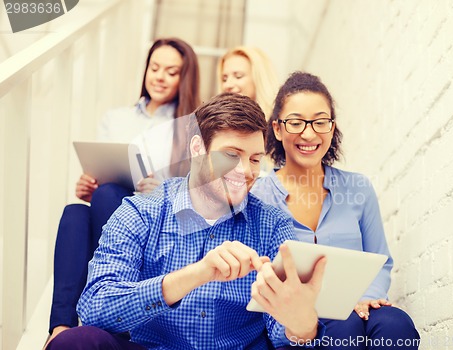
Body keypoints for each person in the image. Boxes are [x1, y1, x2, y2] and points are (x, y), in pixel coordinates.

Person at [46, 92, 328, 350]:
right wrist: (198, 273)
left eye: (255, 159)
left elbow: (282, 334)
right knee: (76, 342)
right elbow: (95, 307)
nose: (246, 171)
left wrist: (302, 324)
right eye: (231, 155)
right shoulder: (140, 212)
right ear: (197, 148)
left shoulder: (273, 224)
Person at [46, 37, 200, 346]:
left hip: (155, 227)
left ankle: (116, 300)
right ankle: (60, 327)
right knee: (76, 212)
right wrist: (87, 186)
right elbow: (99, 173)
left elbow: (195, 194)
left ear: (184, 78)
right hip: (109, 208)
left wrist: (160, 190)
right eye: (154, 68)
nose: (159, 76)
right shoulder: (115, 117)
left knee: (106, 197)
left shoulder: (189, 128)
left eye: (171, 71)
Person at [252, 72, 420, 349]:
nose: (309, 133)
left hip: (361, 305)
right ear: (278, 129)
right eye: (295, 123)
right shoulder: (259, 196)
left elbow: (380, 259)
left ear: (332, 128)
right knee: (344, 328)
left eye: (320, 122)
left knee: (396, 325)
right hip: (297, 321)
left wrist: (368, 297)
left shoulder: (358, 188)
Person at [217, 46, 279, 120]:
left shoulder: (278, 122)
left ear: (259, 79)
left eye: (238, 76)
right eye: (224, 79)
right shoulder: (217, 122)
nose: (227, 85)